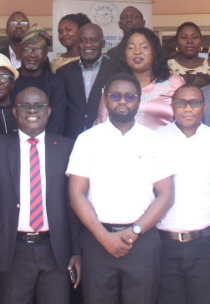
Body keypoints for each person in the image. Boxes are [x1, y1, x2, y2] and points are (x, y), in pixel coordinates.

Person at [67, 73, 176, 304]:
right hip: (98, 239)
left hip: (142, 241)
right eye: (116, 96)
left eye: (129, 96)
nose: (123, 101)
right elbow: (76, 193)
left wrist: (135, 231)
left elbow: (166, 195)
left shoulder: (154, 140)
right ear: (105, 99)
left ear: (139, 100)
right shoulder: (87, 140)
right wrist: (103, 236)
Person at [0, 87, 81, 303]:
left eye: (39, 106)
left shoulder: (67, 147)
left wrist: (77, 251)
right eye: (25, 106)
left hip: (56, 250)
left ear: (49, 111)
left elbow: (74, 203)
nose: (32, 110)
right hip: (13, 250)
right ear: (15, 112)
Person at [157, 85, 210, 304]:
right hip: (164, 243)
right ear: (172, 106)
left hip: (205, 243)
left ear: (204, 106)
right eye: (181, 103)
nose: (188, 108)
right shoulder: (155, 141)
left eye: (195, 103)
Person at [98, 27, 184, 130]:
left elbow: (187, 121)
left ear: (154, 51)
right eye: (131, 48)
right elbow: (101, 123)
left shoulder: (174, 83)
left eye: (144, 47)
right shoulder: (114, 86)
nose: (137, 52)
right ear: (124, 53)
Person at [57, 23, 119, 139]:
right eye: (82, 41)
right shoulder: (63, 72)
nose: (88, 45)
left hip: (105, 138)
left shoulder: (116, 71)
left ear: (103, 44)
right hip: (71, 139)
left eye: (93, 40)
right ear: (77, 44)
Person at [11, 27, 67, 134]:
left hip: (47, 141)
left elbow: (57, 120)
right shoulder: (11, 79)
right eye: (27, 49)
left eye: (39, 50)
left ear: (45, 55)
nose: (32, 54)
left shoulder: (55, 82)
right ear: (19, 52)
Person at [167, 22, 210, 88]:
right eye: (184, 37)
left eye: (194, 37)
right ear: (176, 42)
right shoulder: (166, 67)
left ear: (201, 41)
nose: (190, 41)